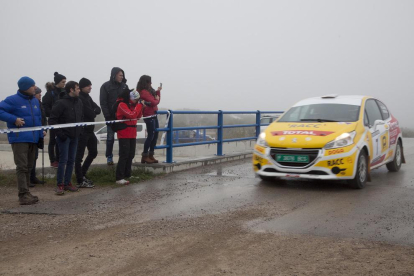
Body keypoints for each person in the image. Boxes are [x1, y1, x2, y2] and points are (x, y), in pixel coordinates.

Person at [0, 77, 43, 205]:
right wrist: (14, 119)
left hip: (33, 138)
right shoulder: (12, 100)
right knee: (22, 167)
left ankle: (27, 192)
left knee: (29, 166)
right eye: (32, 85)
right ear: (25, 87)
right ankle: (23, 195)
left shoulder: (35, 101)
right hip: (19, 139)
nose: (35, 88)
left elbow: (39, 118)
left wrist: (40, 134)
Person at [49, 81, 83, 195]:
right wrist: (60, 134)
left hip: (75, 136)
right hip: (64, 137)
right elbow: (52, 120)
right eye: (77, 88)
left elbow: (80, 118)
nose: (79, 90)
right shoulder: (61, 103)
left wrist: (79, 131)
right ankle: (60, 184)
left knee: (71, 160)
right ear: (71, 90)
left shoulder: (79, 102)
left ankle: (68, 183)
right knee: (62, 161)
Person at [75, 78, 101, 188]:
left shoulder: (88, 97)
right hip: (82, 131)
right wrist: (93, 112)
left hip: (90, 131)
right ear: (81, 87)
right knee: (78, 156)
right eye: (88, 86)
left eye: (90, 85)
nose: (90, 87)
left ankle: (82, 173)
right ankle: (79, 179)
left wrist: (93, 112)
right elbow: (90, 113)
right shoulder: (80, 98)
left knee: (93, 152)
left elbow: (98, 109)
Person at [115, 88, 144, 185]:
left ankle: (128, 174)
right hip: (124, 132)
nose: (136, 101)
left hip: (132, 133)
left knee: (131, 154)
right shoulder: (122, 105)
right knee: (124, 155)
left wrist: (140, 106)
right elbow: (131, 115)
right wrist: (139, 105)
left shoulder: (133, 106)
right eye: (136, 99)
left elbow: (138, 116)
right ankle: (119, 177)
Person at [100, 67, 128, 165]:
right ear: (114, 75)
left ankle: (123, 156)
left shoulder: (124, 86)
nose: (122, 77)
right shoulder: (105, 86)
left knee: (123, 138)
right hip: (111, 117)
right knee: (110, 138)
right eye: (120, 75)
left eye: (122, 75)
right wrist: (107, 116)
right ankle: (109, 157)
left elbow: (127, 101)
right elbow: (103, 103)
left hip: (122, 118)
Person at [42, 72, 66, 168]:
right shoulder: (50, 93)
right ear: (58, 82)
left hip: (63, 121)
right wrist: (53, 113)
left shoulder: (64, 92)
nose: (64, 84)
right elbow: (45, 107)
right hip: (53, 120)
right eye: (63, 82)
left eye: (65, 82)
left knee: (61, 140)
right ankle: (53, 160)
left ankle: (61, 159)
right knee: (53, 141)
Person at [137, 75, 162, 164]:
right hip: (148, 115)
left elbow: (155, 100)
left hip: (154, 114)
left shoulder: (149, 90)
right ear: (146, 82)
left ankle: (151, 155)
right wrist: (157, 99)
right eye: (149, 82)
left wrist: (158, 92)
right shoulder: (143, 92)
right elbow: (153, 102)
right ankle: (145, 155)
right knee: (151, 135)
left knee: (155, 135)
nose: (151, 83)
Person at [30, 87, 47, 187]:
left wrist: (45, 129)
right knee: (30, 157)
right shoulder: (32, 104)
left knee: (35, 156)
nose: (40, 95)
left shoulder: (40, 104)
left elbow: (44, 119)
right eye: (38, 93)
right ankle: (29, 178)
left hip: (39, 133)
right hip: (31, 134)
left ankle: (33, 177)